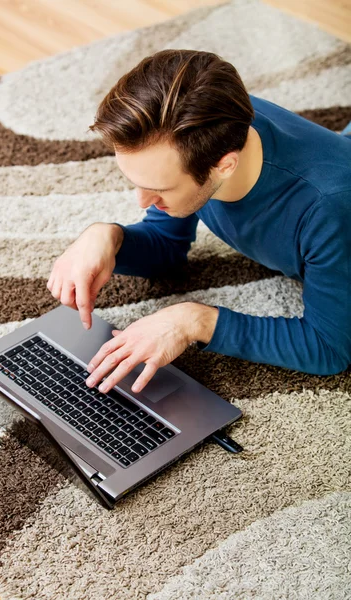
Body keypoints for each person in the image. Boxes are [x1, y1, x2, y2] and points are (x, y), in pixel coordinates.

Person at [47, 49, 351, 396]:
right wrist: (107, 237)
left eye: (158, 188)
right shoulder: (212, 121)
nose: (142, 201)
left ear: (225, 165)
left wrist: (196, 321)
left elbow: (329, 348)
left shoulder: (329, 210)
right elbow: (166, 244)